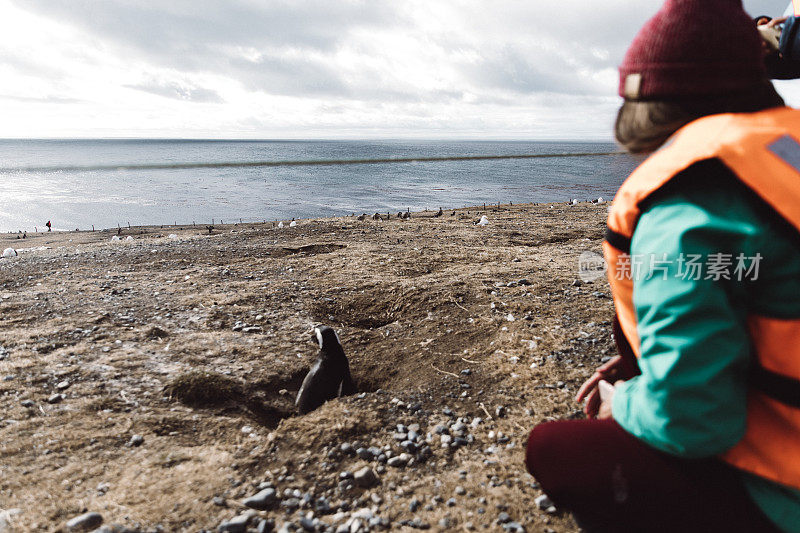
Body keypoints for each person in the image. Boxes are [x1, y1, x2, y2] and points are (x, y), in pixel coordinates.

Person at [525, 1, 800, 532]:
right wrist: (641, 364)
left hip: (787, 491)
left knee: (554, 449)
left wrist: (622, 401)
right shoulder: (783, 152)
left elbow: (695, 423)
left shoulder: (687, 208)